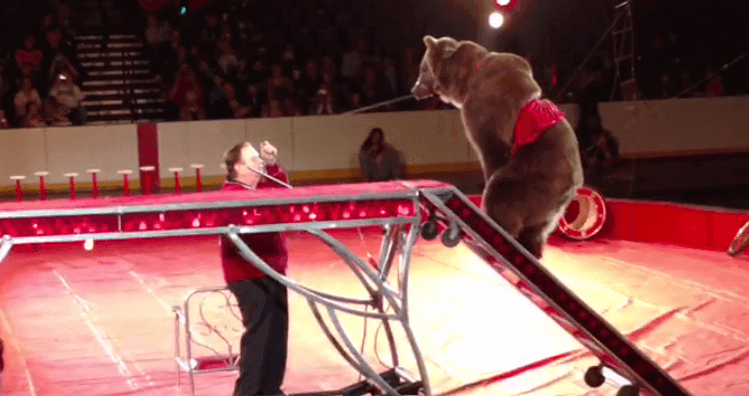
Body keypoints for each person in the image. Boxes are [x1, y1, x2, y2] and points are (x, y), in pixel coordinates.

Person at [220, 141, 290, 396]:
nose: (259, 162)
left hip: (271, 272)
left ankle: (271, 389)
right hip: (250, 275)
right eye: (254, 160)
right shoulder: (231, 195)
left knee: (277, 337)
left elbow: (283, 197)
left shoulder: (255, 191)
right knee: (259, 339)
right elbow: (271, 209)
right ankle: (249, 392)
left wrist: (273, 167)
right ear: (238, 166)